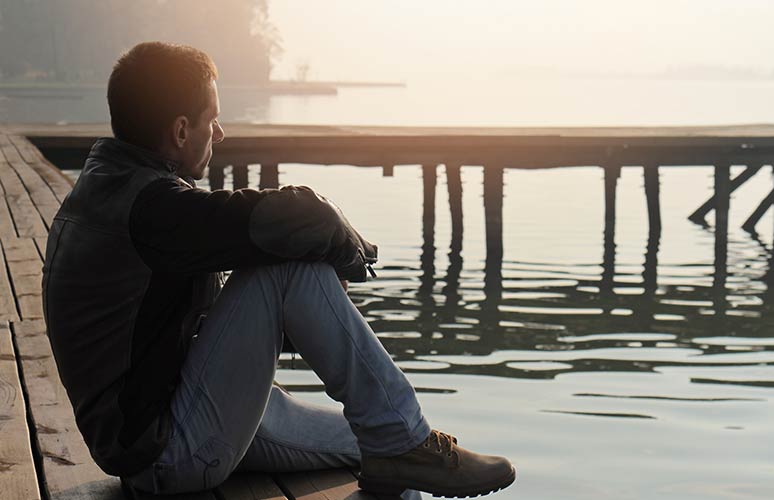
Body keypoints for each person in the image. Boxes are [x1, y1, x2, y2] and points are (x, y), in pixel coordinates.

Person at [42, 41, 515, 498]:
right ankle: (403, 441)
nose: (221, 134)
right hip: (168, 451)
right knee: (288, 268)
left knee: (379, 444)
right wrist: (350, 256)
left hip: (179, 419)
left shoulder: (111, 189)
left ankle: (402, 443)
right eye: (214, 119)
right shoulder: (152, 209)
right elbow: (304, 215)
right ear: (182, 131)